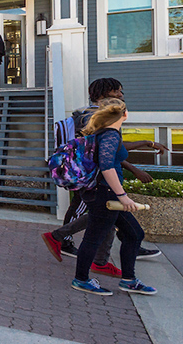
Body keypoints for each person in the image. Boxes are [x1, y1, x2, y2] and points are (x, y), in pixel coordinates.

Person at [42, 78, 164, 272]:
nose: (122, 95)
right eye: (117, 92)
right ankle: (65, 242)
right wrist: (134, 168)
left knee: (107, 216)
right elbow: (105, 151)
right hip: (98, 179)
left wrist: (146, 144)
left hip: (102, 178)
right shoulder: (94, 117)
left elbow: (110, 148)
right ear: (103, 94)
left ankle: (107, 255)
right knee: (99, 214)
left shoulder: (98, 115)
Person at [70, 99, 156, 296]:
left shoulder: (106, 133)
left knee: (134, 234)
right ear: (124, 114)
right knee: (94, 237)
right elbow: (107, 166)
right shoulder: (110, 135)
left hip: (104, 193)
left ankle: (128, 280)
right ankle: (81, 279)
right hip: (106, 195)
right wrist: (123, 196)